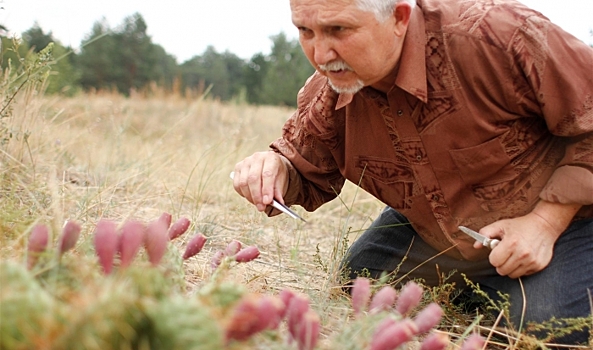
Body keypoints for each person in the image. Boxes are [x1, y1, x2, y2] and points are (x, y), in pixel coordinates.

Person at [232, 0, 593, 344]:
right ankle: (499, 293)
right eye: (306, 31)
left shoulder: (498, 38)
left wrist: (545, 223)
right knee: (362, 283)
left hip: (570, 221)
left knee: (544, 328)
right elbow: (304, 165)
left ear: (400, 18)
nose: (321, 55)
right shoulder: (331, 90)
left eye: (338, 30)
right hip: (443, 226)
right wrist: (275, 168)